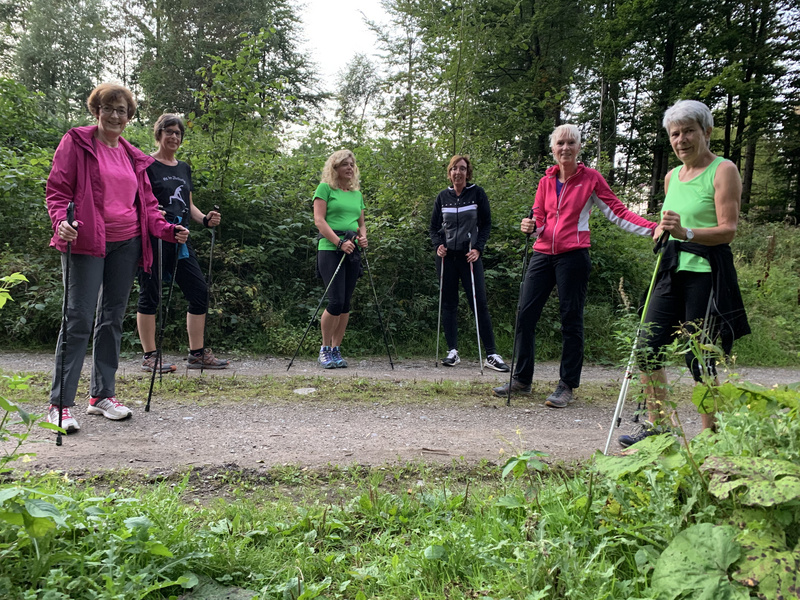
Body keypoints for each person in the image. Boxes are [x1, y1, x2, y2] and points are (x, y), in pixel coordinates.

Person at [45, 83, 189, 433]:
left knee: (111, 318)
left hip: (127, 243)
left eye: (121, 110)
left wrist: (167, 229)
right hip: (85, 240)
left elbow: (147, 205)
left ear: (129, 116)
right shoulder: (77, 142)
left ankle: (102, 395)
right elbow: (58, 190)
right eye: (108, 108)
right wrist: (62, 221)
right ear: (96, 110)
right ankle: (60, 404)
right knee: (78, 318)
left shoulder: (132, 156)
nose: (114, 115)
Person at [493, 124, 657, 406]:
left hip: (574, 255)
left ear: (580, 147)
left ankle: (567, 385)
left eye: (571, 143)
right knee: (525, 314)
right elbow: (539, 217)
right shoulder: (545, 181)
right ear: (553, 149)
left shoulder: (590, 179)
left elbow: (617, 211)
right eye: (560, 144)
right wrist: (530, 226)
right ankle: (522, 379)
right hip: (543, 253)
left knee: (571, 319)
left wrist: (653, 228)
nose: (565, 148)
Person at [618, 100, 749, 447]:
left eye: (689, 131)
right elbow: (669, 225)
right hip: (672, 270)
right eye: (675, 134)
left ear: (705, 132)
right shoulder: (671, 176)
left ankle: (711, 438)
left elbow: (728, 229)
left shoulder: (724, 171)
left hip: (706, 273)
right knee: (647, 349)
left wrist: (686, 233)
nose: (681, 139)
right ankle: (658, 426)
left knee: (698, 356)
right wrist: (664, 232)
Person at [136, 114, 229, 372]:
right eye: (169, 132)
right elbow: (141, 201)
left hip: (181, 238)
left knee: (199, 292)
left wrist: (204, 219)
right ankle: (149, 356)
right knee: (150, 295)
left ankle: (196, 354)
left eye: (178, 133)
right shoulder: (146, 164)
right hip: (154, 238)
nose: (174, 137)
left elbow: (187, 204)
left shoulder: (184, 167)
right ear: (159, 134)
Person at [429, 155, 510, 372]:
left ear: (468, 172)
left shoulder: (477, 194)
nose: (458, 172)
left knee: (479, 304)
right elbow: (433, 226)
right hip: (447, 258)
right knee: (448, 303)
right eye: (454, 169)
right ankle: (452, 351)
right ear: (449, 172)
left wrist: (478, 248)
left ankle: (491, 353)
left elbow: (486, 224)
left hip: (469, 257)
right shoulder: (442, 197)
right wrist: (438, 244)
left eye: (462, 169)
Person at [313, 149, 367, 368]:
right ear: (334, 168)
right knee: (335, 300)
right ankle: (324, 349)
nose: (349, 168)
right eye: (345, 164)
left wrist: (363, 238)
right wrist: (338, 242)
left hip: (352, 248)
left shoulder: (357, 194)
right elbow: (319, 220)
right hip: (330, 248)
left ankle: (336, 349)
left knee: (345, 303)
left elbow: (361, 223)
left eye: (352, 164)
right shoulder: (325, 189)